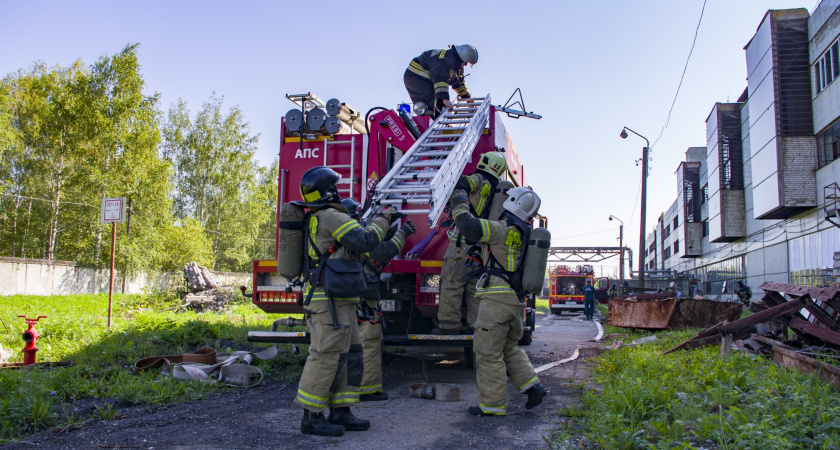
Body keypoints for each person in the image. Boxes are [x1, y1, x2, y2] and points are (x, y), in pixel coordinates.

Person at [293, 167, 402, 437]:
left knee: (351, 353)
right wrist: (384, 218)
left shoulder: (324, 215)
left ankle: (341, 409)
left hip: (340, 300)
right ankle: (312, 416)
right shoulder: (329, 215)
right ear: (330, 191)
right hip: (327, 300)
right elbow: (366, 240)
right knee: (326, 354)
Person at [448, 186, 547, 416]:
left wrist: (460, 202)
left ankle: (492, 406)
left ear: (513, 203)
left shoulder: (501, 229)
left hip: (496, 302)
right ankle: (533, 387)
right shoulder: (526, 235)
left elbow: (469, 226)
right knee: (508, 348)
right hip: (516, 303)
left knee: (487, 352)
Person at [340, 199, 416, 402]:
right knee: (369, 339)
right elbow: (382, 252)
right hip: (362, 299)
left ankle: (364, 387)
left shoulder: (338, 233)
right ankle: (365, 389)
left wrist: (389, 232)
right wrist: (403, 233)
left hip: (351, 297)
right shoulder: (354, 236)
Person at [432, 151, 508, 335]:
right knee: (475, 287)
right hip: (479, 248)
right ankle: (477, 328)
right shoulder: (497, 188)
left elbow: (461, 184)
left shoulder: (480, 179)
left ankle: (448, 327)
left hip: (461, 246)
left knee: (452, 283)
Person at [404, 44, 478, 118]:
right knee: (429, 101)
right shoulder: (446, 58)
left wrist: (467, 97)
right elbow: (440, 76)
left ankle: (436, 119)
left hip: (429, 79)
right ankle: (428, 121)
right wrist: (445, 98)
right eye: (466, 62)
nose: (465, 65)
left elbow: (458, 83)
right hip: (416, 76)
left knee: (439, 102)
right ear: (463, 56)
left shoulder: (457, 66)